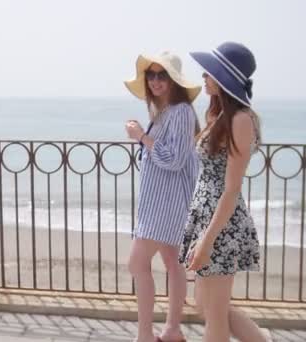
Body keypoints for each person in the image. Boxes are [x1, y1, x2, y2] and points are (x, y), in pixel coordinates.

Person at [179, 42, 266, 342]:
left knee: (214, 316)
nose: (204, 76)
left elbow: (231, 190)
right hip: (208, 218)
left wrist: (206, 241)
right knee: (208, 306)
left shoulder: (240, 120)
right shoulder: (217, 115)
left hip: (222, 225)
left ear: (225, 78)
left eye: (210, 72)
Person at [124, 51, 201, 342]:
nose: (155, 81)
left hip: (166, 206)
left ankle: (146, 335)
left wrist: (141, 137)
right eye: (151, 75)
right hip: (161, 203)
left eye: (162, 75)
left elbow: (174, 159)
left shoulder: (180, 112)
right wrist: (145, 135)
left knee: (137, 263)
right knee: (172, 262)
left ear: (174, 81)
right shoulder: (164, 112)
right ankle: (171, 331)